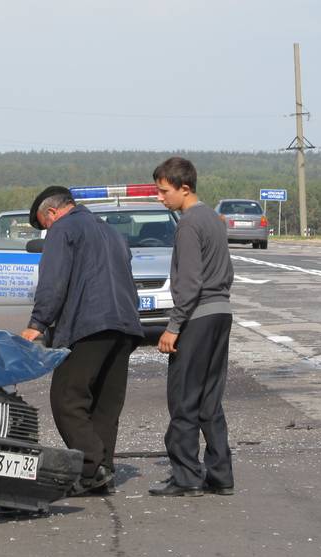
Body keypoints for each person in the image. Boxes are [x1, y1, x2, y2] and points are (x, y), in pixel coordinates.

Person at [21, 186, 144, 495]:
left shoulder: (63, 230)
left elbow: (54, 280)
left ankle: (91, 464)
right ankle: (100, 474)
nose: (47, 229)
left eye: (45, 223)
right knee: (105, 403)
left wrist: (38, 323)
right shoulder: (110, 231)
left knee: (67, 397)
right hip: (126, 325)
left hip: (89, 324)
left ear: (52, 213)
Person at [150, 157, 235, 497]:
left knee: (184, 398)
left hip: (197, 317)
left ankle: (186, 477)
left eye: (163, 191)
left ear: (184, 188)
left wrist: (173, 326)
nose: (160, 197)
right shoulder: (213, 218)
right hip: (221, 314)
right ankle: (220, 475)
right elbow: (223, 272)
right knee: (210, 400)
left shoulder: (187, 224)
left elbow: (189, 282)